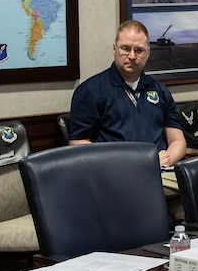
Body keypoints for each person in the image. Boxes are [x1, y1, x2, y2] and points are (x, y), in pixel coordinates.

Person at [66, 19, 186, 168]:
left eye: (139, 50)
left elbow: (178, 141)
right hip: (113, 174)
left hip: (159, 172)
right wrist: (129, 163)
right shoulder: (90, 91)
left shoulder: (159, 90)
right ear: (114, 49)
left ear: (148, 53)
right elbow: (78, 143)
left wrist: (166, 160)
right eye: (125, 48)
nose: (132, 56)